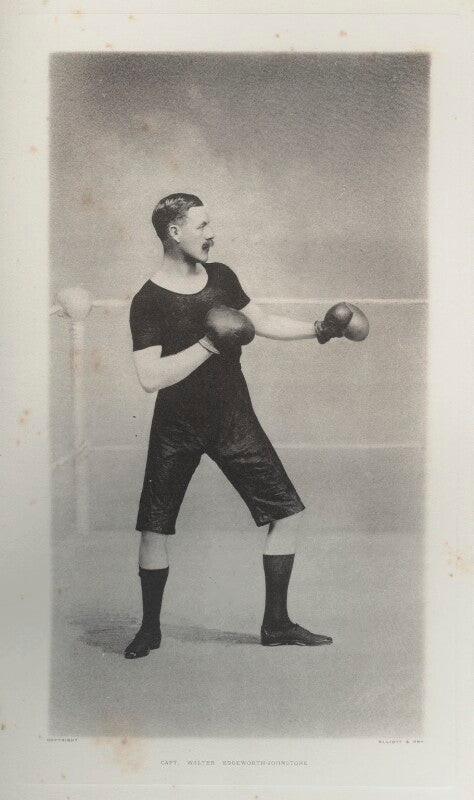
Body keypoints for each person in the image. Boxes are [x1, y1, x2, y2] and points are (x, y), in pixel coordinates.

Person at [126, 193, 362, 659]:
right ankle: (149, 629)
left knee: (286, 513)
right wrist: (209, 345)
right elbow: (150, 377)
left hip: (232, 415)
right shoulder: (148, 300)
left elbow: (262, 321)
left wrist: (320, 329)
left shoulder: (222, 276)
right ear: (174, 231)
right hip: (177, 423)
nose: (212, 233)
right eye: (202, 225)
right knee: (154, 528)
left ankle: (276, 624)